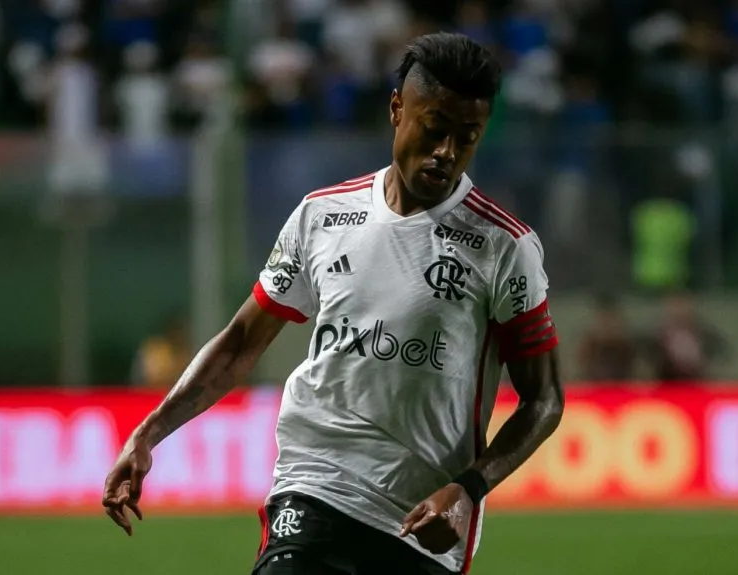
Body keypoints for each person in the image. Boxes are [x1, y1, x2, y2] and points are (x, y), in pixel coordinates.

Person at [102, 33, 563, 575]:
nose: (446, 151)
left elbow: (544, 401)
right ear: (397, 109)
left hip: (422, 522)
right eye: (434, 128)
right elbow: (241, 341)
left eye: (467, 138)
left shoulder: (503, 246)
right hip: (313, 489)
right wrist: (148, 433)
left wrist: (468, 489)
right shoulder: (321, 215)